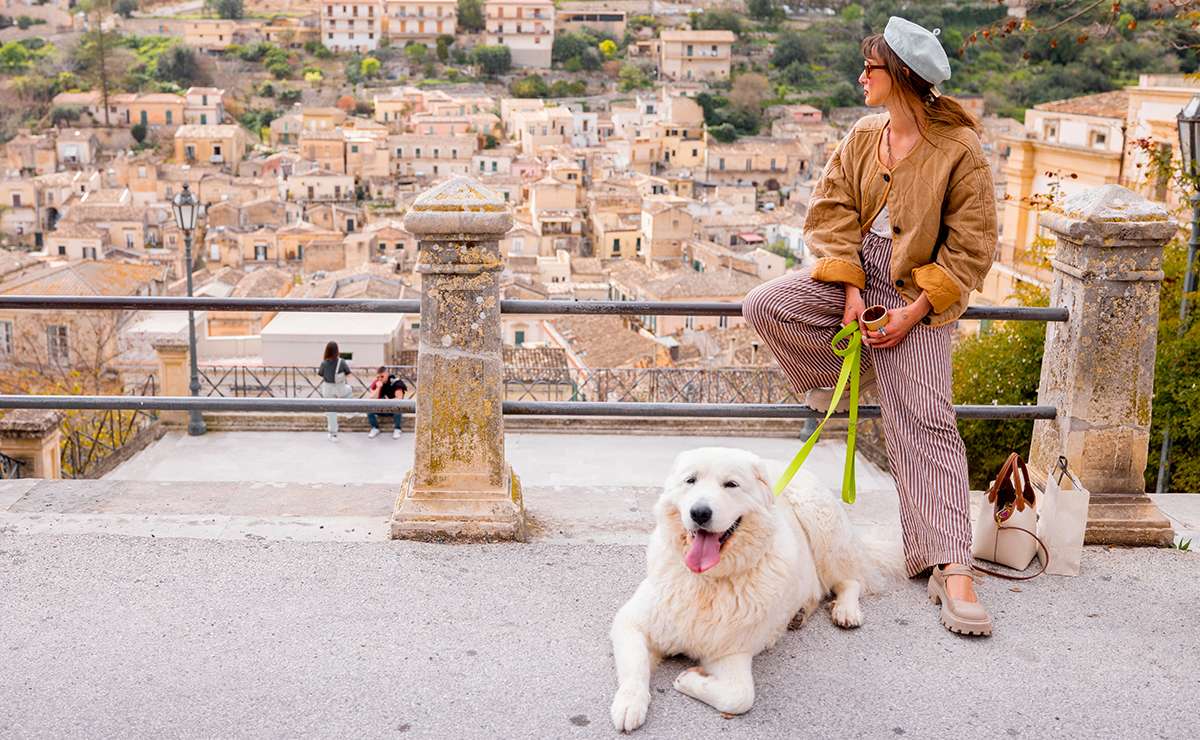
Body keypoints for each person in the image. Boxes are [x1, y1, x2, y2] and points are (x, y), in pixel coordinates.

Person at [742, 17, 998, 636]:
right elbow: (830, 211)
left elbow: (970, 248)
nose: (861, 77)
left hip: (921, 293)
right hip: (852, 281)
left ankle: (951, 566)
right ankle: (869, 381)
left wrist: (912, 313)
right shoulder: (863, 135)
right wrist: (853, 291)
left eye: (870, 69)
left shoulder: (959, 153)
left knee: (927, 426)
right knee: (767, 303)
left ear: (902, 78)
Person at [317, 341, 353, 442]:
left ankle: (333, 434)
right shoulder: (341, 362)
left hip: (327, 388)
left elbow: (320, 374)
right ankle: (349, 412)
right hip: (340, 388)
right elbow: (349, 374)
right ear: (337, 350)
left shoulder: (324, 363)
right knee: (349, 390)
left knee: (331, 411)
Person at [366, 366, 408, 439]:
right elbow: (372, 398)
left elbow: (399, 399)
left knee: (398, 408)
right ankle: (375, 428)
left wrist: (387, 401)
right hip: (381, 408)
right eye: (378, 377)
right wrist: (378, 387)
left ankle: (397, 429)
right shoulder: (377, 382)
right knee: (369, 409)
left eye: (382, 376)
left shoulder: (396, 382)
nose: (380, 379)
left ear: (387, 374)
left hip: (393, 409)